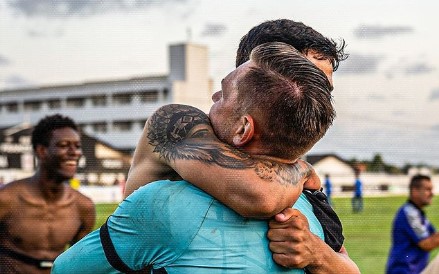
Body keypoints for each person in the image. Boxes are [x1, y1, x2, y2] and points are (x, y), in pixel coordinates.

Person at [53, 42, 358, 273]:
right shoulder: (311, 213)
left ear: (243, 129)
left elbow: (65, 269)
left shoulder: (164, 204)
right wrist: (301, 172)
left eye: (224, 94)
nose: (213, 99)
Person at [0, 114, 96, 274]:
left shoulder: (83, 207)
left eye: (77, 146)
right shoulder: (6, 199)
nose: (74, 152)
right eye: (64, 145)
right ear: (42, 151)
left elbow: (80, 264)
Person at [386, 174, 439, 274]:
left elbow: (434, 237)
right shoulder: (409, 213)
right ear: (415, 191)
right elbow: (427, 243)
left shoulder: (417, 213)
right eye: (428, 189)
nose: (432, 193)